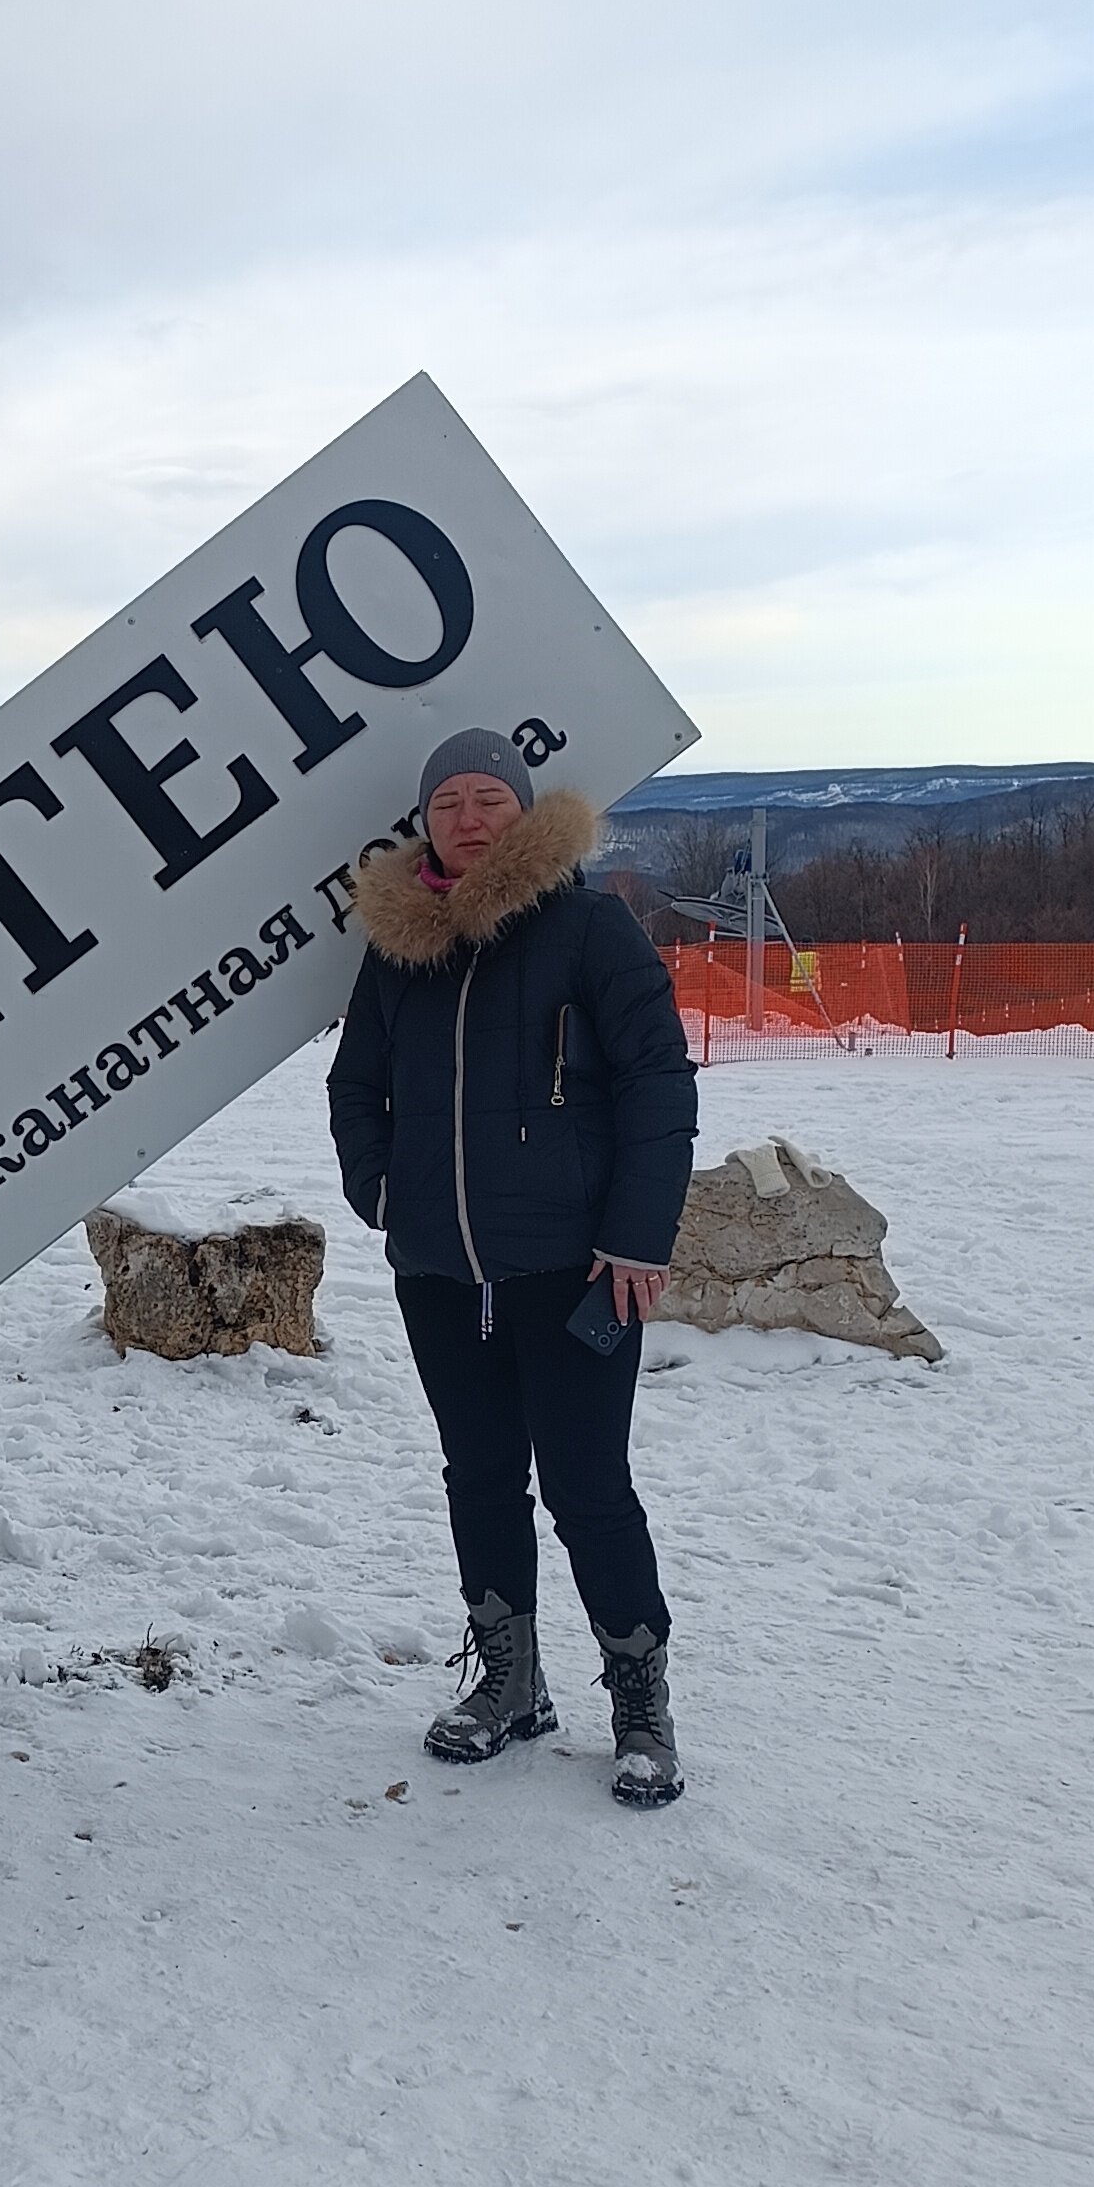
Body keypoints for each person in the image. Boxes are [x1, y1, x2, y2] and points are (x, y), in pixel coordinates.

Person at [327, 728, 698, 1805]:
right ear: (427, 822)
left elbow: (656, 1081)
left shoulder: (587, 925)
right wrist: (385, 1194)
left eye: (491, 796)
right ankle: (510, 1685)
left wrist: (638, 1233)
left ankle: (640, 1704)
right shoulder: (401, 943)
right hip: (441, 1271)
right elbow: (358, 1087)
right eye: (450, 802)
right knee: (480, 1478)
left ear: (524, 811)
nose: (472, 817)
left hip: (574, 1267)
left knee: (588, 1490)